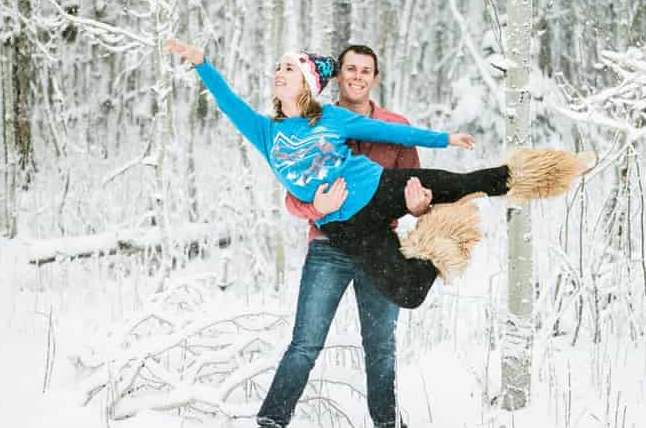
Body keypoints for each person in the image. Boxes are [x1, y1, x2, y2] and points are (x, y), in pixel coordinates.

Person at [164, 40, 593, 322]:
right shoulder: (265, 132)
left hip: (382, 186)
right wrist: (201, 62)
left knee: (466, 182)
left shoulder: (331, 117)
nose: (279, 73)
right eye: (278, 68)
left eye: (289, 69)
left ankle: (557, 169)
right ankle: (440, 240)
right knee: (408, 293)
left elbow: (394, 133)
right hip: (346, 227)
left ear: (308, 84)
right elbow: (226, 100)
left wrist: (445, 137)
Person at [255, 44, 427, 428]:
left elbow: (415, 186)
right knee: (305, 341)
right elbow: (289, 195)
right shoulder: (310, 122)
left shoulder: (395, 126)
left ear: (375, 78)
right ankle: (270, 424)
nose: (357, 76)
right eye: (350, 68)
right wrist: (314, 206)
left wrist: (419, 205)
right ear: (338, 76)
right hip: (328, 246)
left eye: (366, 70)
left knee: (381, 345)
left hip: (380, 247)